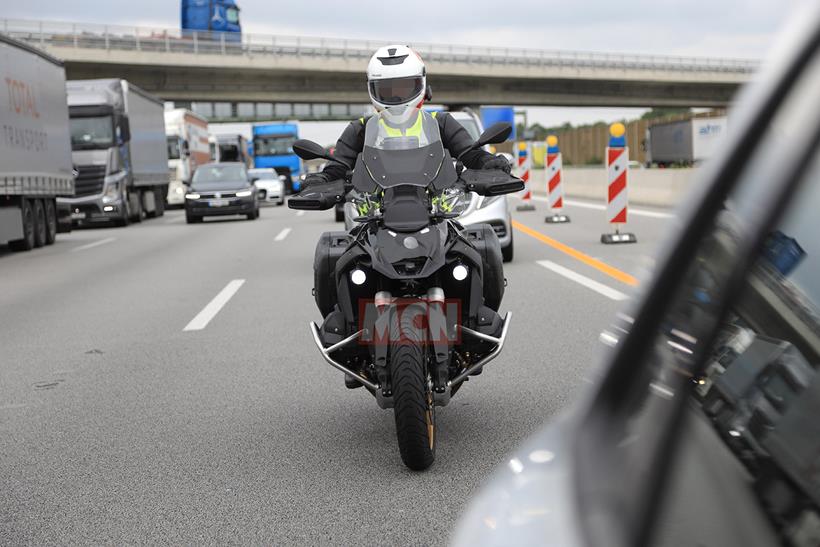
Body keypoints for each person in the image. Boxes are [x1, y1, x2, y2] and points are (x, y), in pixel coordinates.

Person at [302, 44, 511, 187]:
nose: (395, 95)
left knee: (478, 247)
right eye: (387, 90)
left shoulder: (441, 123)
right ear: (372, 89)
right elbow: (339, 165)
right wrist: (322, 178)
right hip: (374, 217)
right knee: (339, 252)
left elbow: (469, 153)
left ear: (421, 85)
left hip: (435, 211)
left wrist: (487, 162)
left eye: (403, 88)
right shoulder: (360, 129)